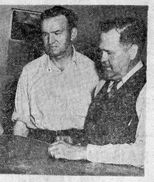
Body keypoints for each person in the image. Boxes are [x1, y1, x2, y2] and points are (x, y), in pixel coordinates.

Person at [49, 17, 146, 168]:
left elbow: (144, 153)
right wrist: (76, 140)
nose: (102, 59)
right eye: (101, 51)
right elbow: (99, 135)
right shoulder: (103, 84)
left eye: (109, 53)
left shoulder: (147, 90)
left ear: (132, 51)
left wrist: (82, 152)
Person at [12, 6, 99, 143]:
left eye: (57, 33)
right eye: (45, 34)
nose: (50, 41)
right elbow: (21, 123)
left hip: (78, 146)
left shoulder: (93, 71)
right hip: (39, 145)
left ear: (73, 34)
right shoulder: (30, 71)